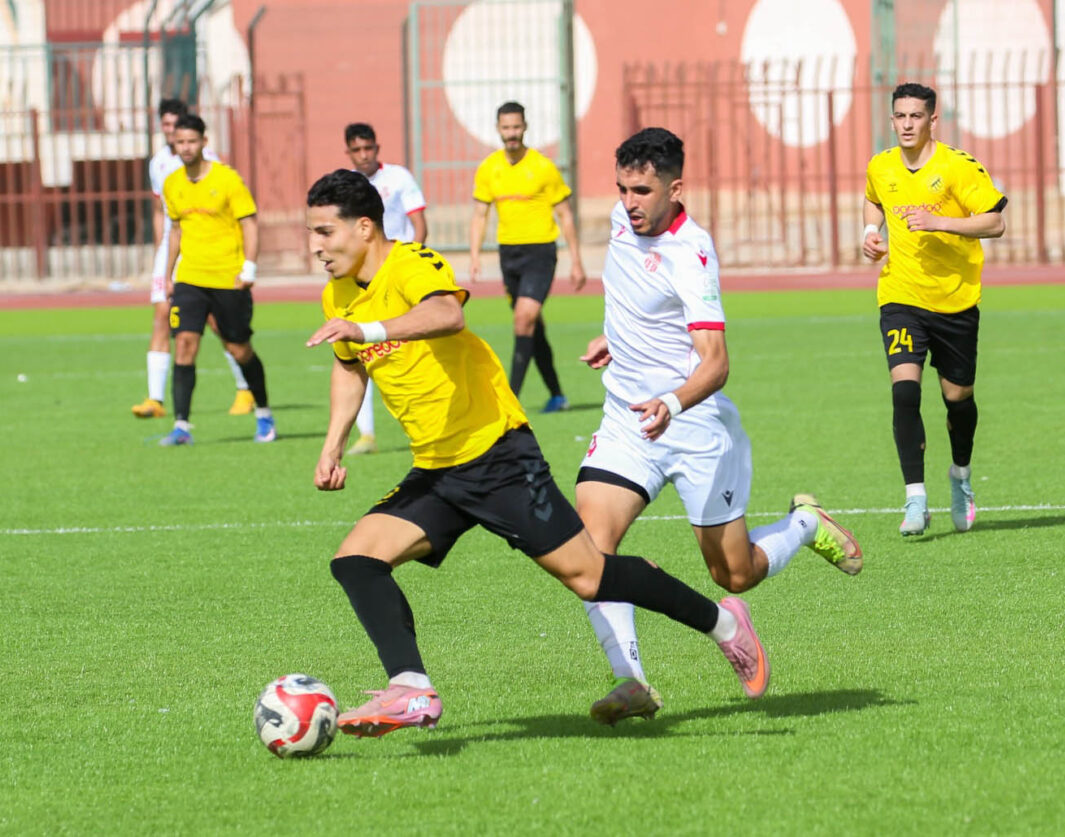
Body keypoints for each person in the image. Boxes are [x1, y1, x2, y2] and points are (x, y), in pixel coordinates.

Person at [305, 169, 768, 738]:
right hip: (437, 470)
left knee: (590, 577)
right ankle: (412, 689)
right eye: (313, 233)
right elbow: (350, 368)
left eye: (325, 232)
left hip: (498, 457)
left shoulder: (411, 264)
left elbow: (448, 314)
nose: (316, 246)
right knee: (356, 560)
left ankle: (723, 624)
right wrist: (333, 446)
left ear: (365, 226)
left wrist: (367, 323)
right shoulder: (339, 294)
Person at [575, 128, 863, 725]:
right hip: (628, 421)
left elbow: (716, 363)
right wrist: (621, 341)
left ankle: (805, 524)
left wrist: (671, 403)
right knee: (588, 552)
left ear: (676, 189)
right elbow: (635, 296)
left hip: (694, 424)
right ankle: (630, 680)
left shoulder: (693, 253)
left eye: (643, 190)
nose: (629, 201)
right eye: (623, 187)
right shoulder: (620, 220)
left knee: (734, 572)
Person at [863, 83, 1007, 535]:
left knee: (957, 398)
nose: (907, 124)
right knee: (905, 392)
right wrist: (869, 232)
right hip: (901, 297)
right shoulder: (881, 166)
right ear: (892, 120)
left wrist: (940, 221)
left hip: (956, 301)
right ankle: (915, 499)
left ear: (932, 121)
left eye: (915, 117)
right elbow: (873, 200)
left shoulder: (957, 167)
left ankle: (961, 477)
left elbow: (996, 221)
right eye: (900, 116)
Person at [131, 98, 254, 419]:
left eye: (177, 126)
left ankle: (246, 389)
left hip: (207, 252)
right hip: (174, 250)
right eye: (167, 126)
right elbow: (161, 211)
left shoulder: (208, 162)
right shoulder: (158, 162)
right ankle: (156, 399)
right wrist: (162, 254)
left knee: (218, 325)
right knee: (162, 315)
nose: (172, 133)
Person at [158, 113, 275, 446]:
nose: (186, 147)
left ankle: (264, 414)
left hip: (228, 278)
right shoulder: (173, 183)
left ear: (204, 142)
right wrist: (167, 276)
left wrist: (249, 267)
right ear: (173, 143)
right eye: (180, 142)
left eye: (192, 141)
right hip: (190, 277)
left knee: (238, 348)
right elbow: (176, 231)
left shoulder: (227, 180)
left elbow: (250, 223)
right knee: (184, 345)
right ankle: (181, 426)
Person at [469, 101, 586, 412]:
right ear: (498, 129)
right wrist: (475, 255)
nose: (512, 134)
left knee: (523, 319)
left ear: (525, 127)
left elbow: (566, 214)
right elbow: (480, 214)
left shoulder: (543, 167)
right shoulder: (489, 168)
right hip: (509, 255)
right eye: (506, 128)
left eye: (516, 127)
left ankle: (509, 400)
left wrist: (576, 260)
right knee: (532, 326)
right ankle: (557, 395)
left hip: (540, 252)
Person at [342, 122, 428, 456]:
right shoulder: (346, 185)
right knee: (360, 355)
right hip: (363, 281)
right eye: (357, 150)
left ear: (378, 148)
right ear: (349, 152)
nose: (364, 155)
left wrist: (410, 266)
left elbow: (419, 224)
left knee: (411, 353)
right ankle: (367, 434)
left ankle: (424, 426)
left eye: (369, 149)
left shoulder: (399, 178)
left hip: (399, 276)